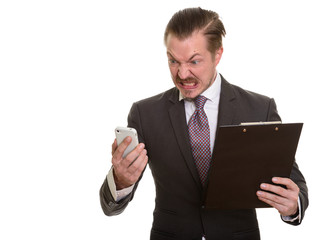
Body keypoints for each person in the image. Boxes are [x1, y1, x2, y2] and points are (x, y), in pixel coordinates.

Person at [100, 7, 308, 240]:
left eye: (194, 61)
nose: (182, 73)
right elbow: (111, 206)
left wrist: (292, 206)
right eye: (173, 61)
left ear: (217, 54)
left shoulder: (259, 108)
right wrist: (121, 180)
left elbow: (294, 182)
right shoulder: (145, 113)